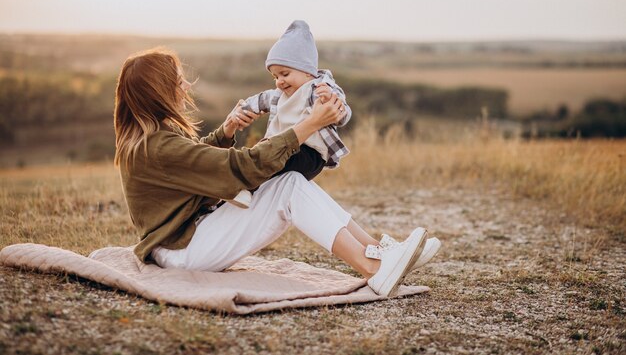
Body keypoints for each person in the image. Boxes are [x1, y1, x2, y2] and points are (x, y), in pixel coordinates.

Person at [113, 46, 436, 297]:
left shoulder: (153, 138)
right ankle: (373, 267)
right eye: (177, 78)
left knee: (289, 181)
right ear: (159, 90)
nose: (184, 84)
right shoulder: (156, 146)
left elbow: (196, 163)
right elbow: (241, 169)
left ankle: (379, 253)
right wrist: (308, 125)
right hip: (183, 249)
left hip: (186, 239)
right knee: (289, 188)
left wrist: (224, 133)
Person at [227, 20, 351, 209]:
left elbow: (343, 114)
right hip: (283, 150)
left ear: (308, 71)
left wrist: (331, 100)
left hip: (309, 155)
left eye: (285, 74)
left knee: (269, 154)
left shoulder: (317, 89)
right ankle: (245, 190)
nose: (279, 82)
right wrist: (241, 111)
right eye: (275, 77)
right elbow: (260, 100)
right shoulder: (280, 96)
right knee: (258, 153)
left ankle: (246, 188)